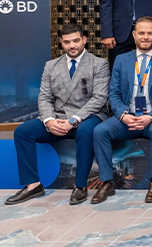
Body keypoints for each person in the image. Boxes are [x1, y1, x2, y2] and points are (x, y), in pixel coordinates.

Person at [6, 25, 110, 206]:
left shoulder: (99, 64)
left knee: (86, 131)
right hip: (58, 118)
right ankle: (33, 185)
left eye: (76, 41)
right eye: (67, 42)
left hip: (87, 117)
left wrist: (73, 120)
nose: (72, 45)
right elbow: (44, 97)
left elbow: (99, 99)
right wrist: (49, 120)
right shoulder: (51, 66)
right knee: (22, 132)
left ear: (84, 40)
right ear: (61, 43)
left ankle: (80, 186)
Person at [92, 17, 152, 204]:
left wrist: (151, 116)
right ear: (134, 35)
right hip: (127, 116)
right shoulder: (121, 60)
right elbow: (113, 93)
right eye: (141, 33)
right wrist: (123, 115)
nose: (146, 37)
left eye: (149, 33)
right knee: (100, 131)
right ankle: (106, 182)